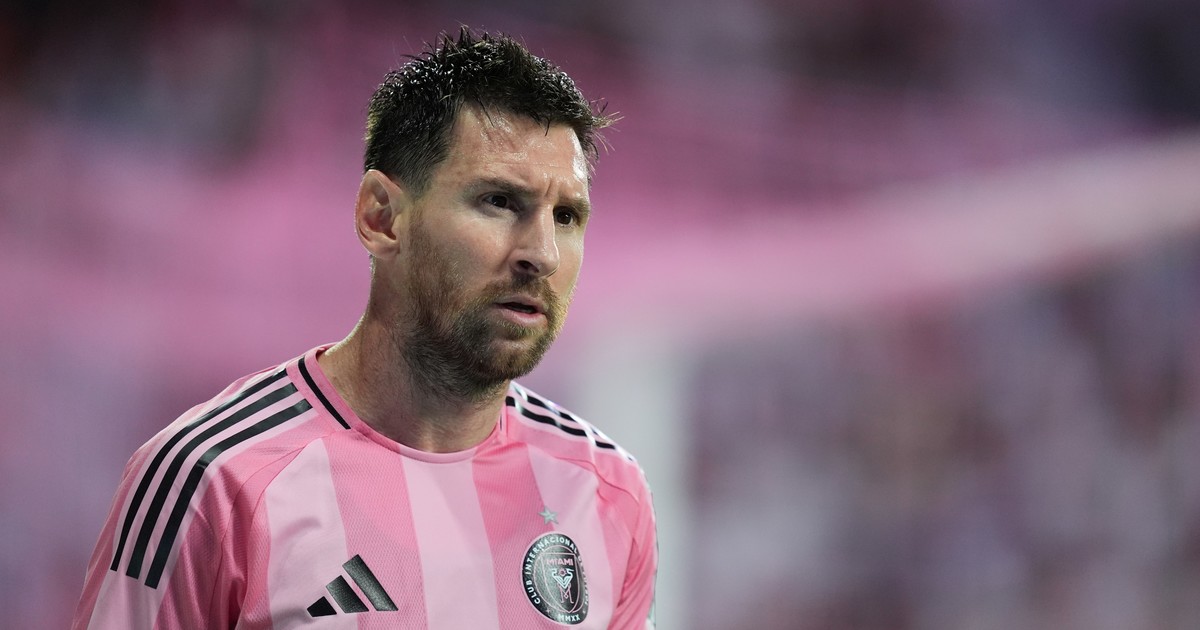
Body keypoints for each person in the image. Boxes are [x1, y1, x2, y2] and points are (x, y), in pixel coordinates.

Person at [72, 28, 656, 629]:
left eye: (566, 216)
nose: (543, 254)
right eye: (499, 202)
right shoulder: (208, 482)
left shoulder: (606, 490)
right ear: (381, 217)